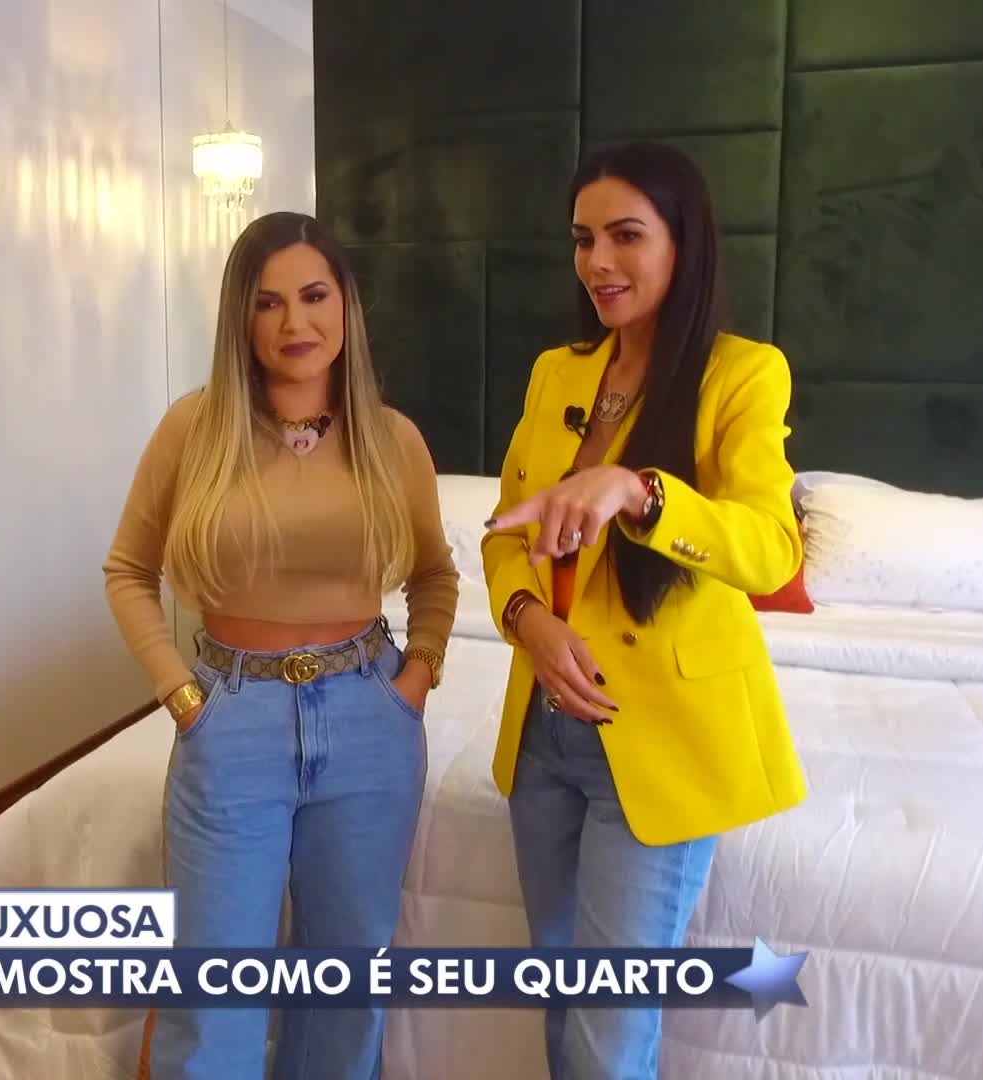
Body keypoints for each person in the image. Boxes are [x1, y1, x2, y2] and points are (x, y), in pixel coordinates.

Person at [103, 210, 459, 1079]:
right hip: (233, 718)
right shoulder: (195, 429)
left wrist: (415, 678)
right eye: (268, 303)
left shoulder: (393, 438)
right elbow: (128, 571)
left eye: (314, 296)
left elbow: (436, 577)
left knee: (347, 986)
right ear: (241, 318)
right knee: (212, 995)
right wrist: (183, 696)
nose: (295, 322)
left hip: (370, 720)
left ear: (346, 306)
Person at [480, 142, 809, 1078]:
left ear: (682, 243)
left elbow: (770, 549)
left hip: (657, 737)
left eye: (627, 235)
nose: (598, 262)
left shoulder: (743, 374)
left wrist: (643, 492)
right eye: (583, 239)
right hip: (544, 732)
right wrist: (528, 621)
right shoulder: (557, 373)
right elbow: (505, 532)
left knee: (609, 1031)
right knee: (560, 999)